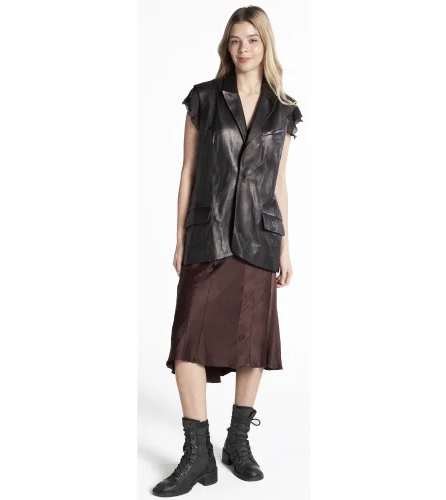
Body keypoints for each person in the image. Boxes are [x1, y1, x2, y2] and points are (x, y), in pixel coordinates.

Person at [152, 6, 302, 497]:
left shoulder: (284, 110)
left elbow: (278, 181)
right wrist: (180, 238)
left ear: (266, 44)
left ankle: (237, 442)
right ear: (226, 45)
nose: (243, 49)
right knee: (187, 340)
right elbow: (189, 171)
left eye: (252, 40)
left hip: (260, 238)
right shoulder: (204, 99)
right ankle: (197, 452)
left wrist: (285, 245)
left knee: (251, 341)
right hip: (208, 233)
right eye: (235, 40)